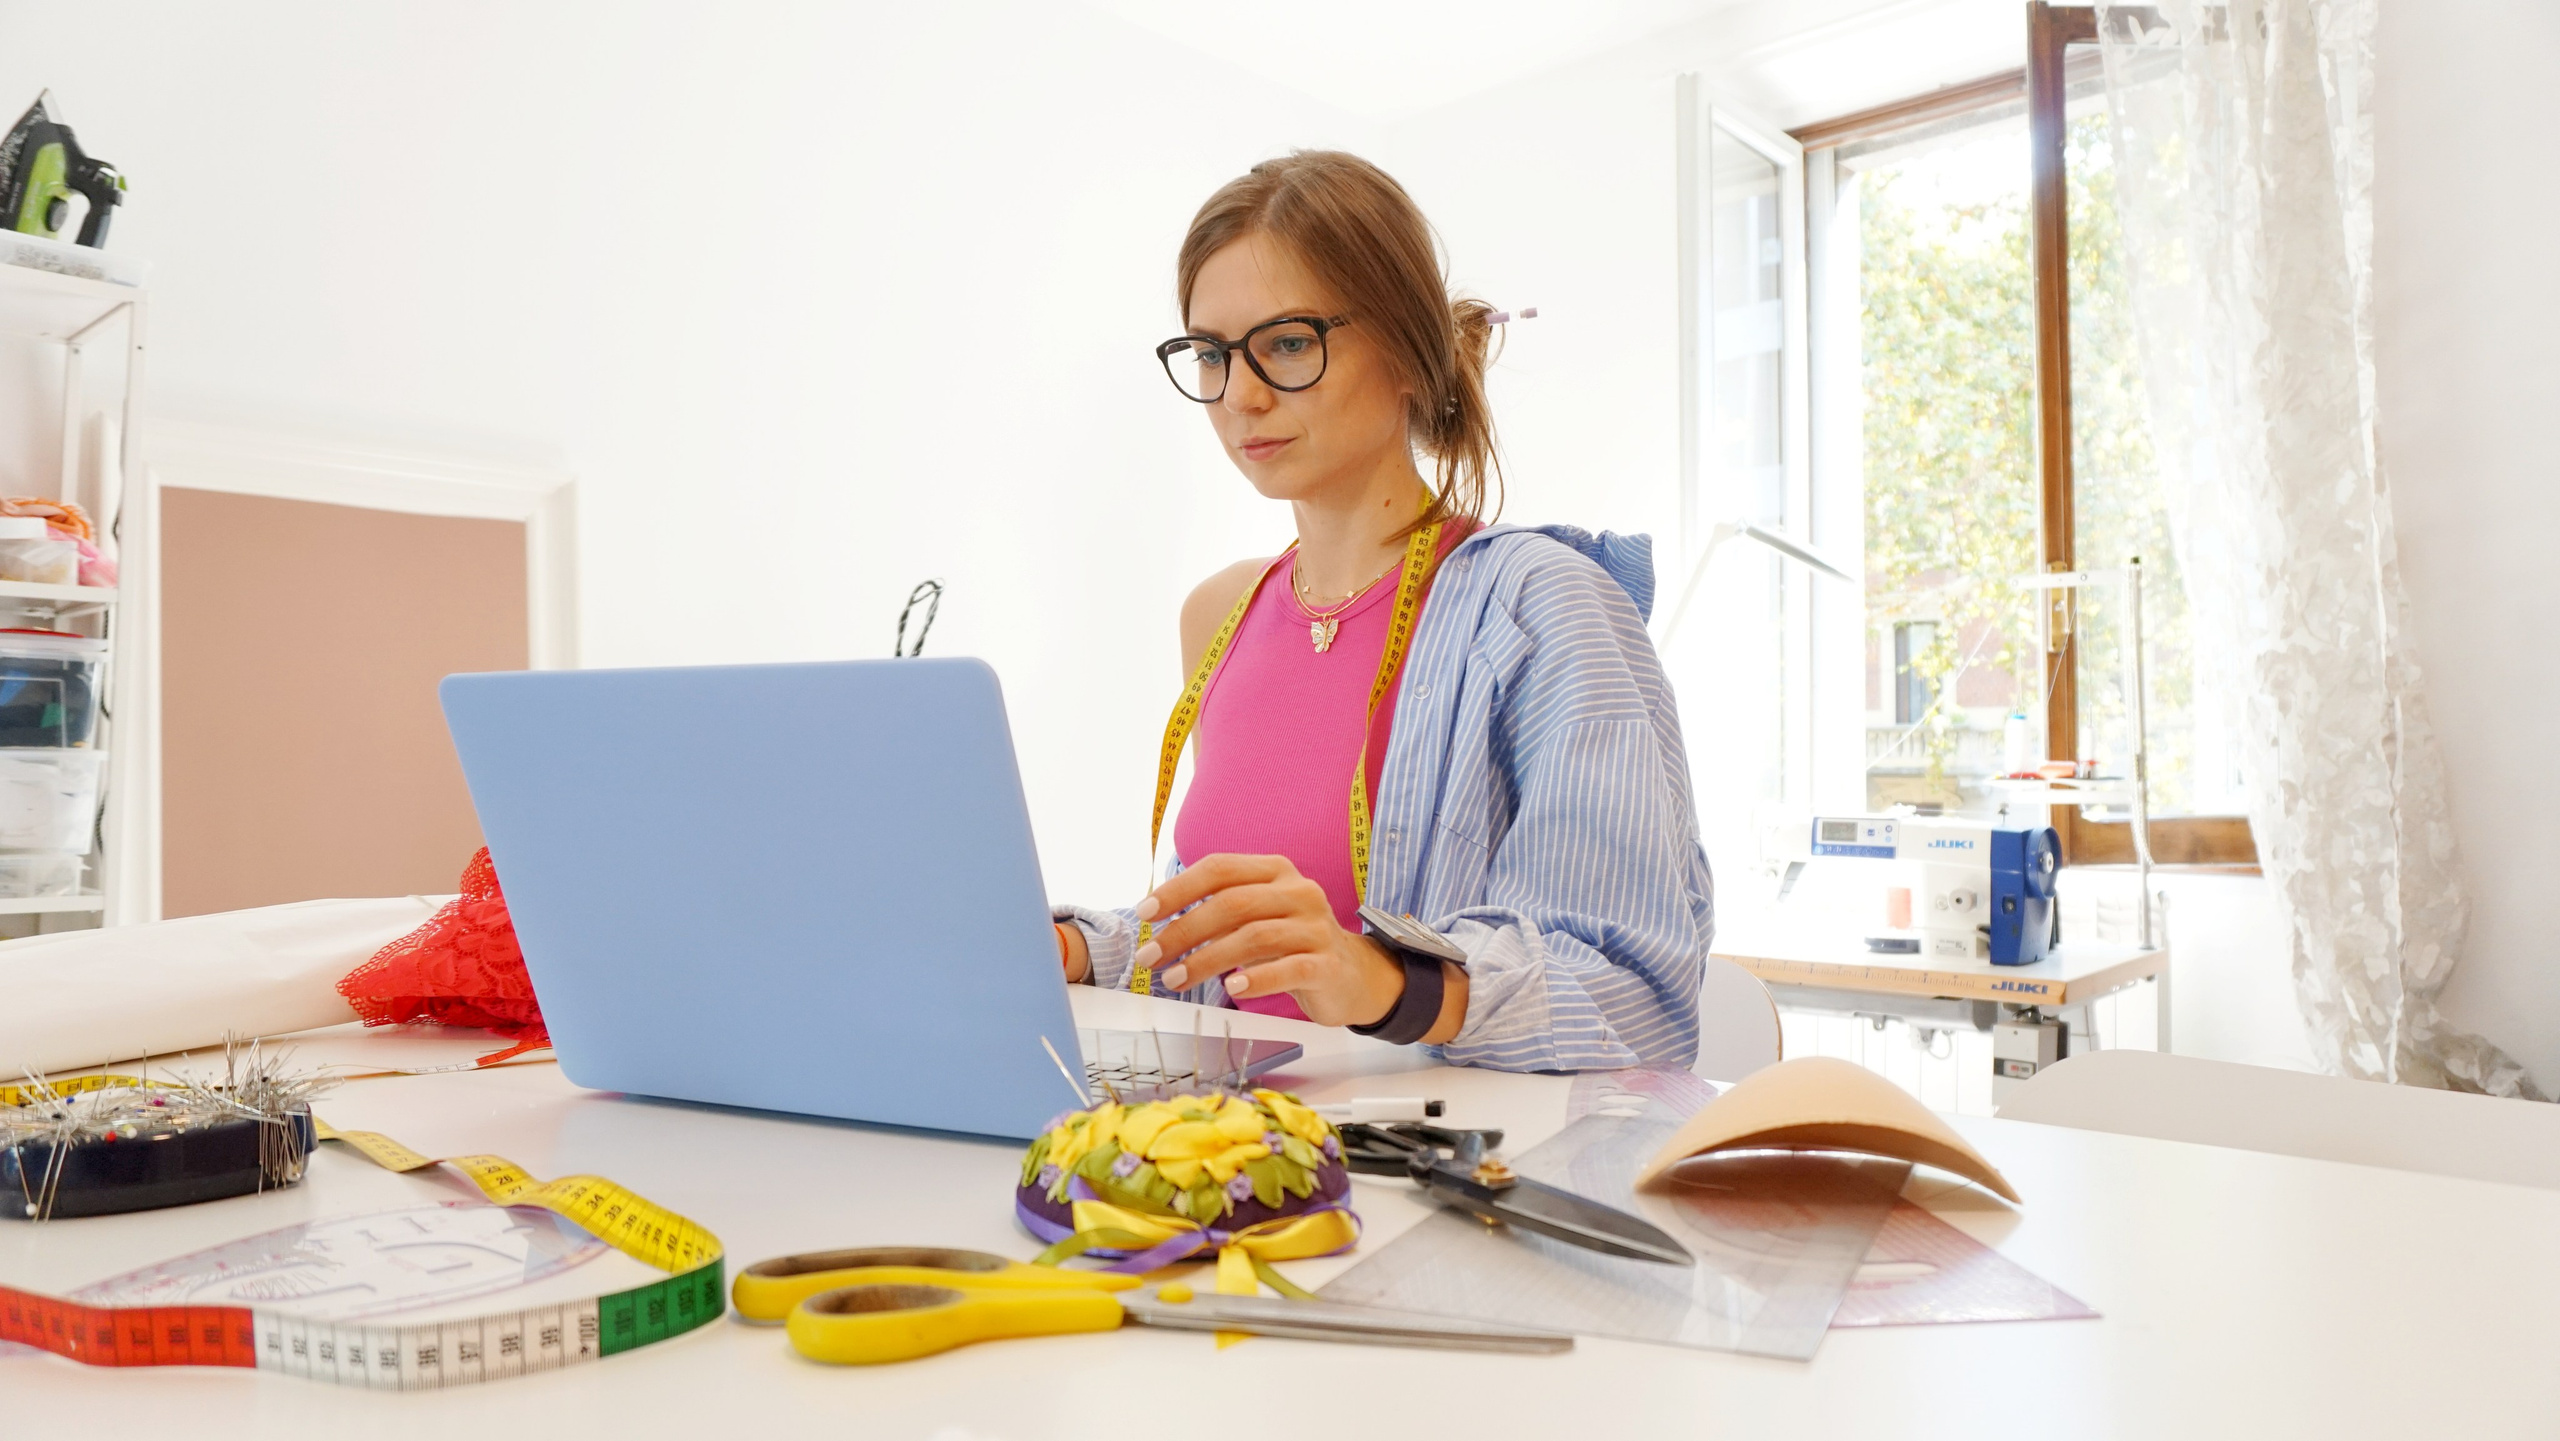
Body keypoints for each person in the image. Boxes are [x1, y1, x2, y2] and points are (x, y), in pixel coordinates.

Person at [1052, 150, 1712, 1072]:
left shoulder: (1543, 605)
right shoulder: (1220, 614)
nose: (1240, 395)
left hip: (1448, 1178)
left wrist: (1391, 985)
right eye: (1211, 353)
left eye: (1286, 343)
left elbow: (1630, 994)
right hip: (1253, 1164)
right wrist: (1083, 945)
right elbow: (1237, 952)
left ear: (1405, 349)